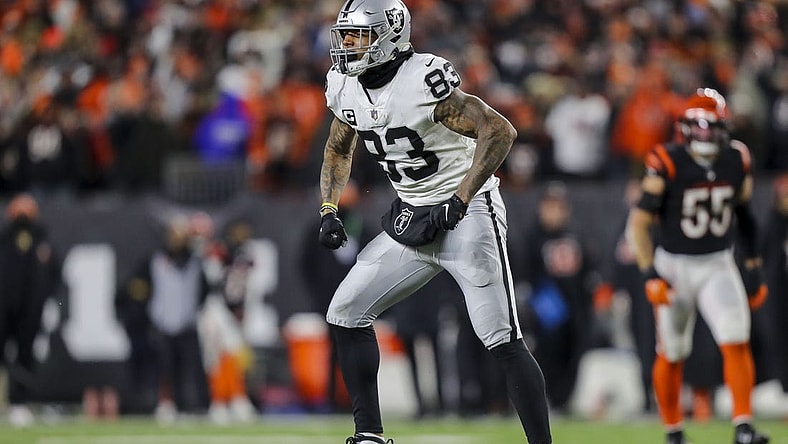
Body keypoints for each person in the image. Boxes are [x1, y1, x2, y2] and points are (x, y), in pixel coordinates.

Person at [316, 1, 552, 443]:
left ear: (389, 35)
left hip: (467, 216)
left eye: (357, 34)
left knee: (500, 335)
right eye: (344, 34)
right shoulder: (345, 87)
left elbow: (499, 130)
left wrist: (461, 198)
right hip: (412, 214)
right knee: (346, 312)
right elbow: (337, 148)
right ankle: (369, 435)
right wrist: (329, 208)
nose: (346, 44)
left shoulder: (421, 79)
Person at [625, 87, 770, 444]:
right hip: (674, 266)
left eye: (714, 127)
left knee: (736, 338)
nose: (708, 135)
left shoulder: (737, 158)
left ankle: (743, 427)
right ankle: (673, 430)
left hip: (718, 262)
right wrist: (650, 274)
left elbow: (745, 215)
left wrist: (752, 266)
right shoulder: (666, 160)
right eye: (701, 127)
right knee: (672, 352)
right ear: (686, 128)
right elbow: (639, 224)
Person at [0, 193, 61, 427]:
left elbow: (57, 280)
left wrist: (55, 307)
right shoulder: (4, 240)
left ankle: (19, 403)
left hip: (31, 309)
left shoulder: (43, 242)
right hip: (4, 307)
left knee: (26, 356)